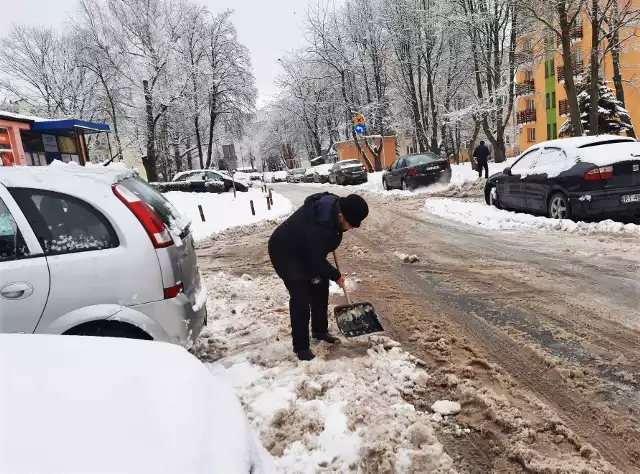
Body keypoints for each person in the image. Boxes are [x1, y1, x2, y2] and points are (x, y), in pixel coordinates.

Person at [268, 192, 369, 361]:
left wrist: (335, 230)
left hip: (305, 249)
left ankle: (319, 331)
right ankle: (301, 347)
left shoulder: (335, 208)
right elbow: (315, 260)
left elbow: (315, 254)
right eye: (350, 224)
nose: (351, 228)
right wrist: (335, 275)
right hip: (285, 252)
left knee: (320, 286)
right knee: (300, 295)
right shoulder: (318, 228)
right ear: (340, 215)